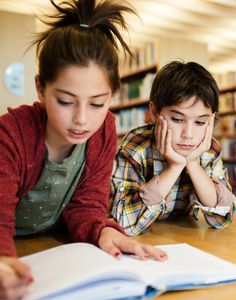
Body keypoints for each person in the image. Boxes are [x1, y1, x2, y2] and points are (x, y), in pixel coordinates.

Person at [0, 0, 166, 299]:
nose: (82, 119)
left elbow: (88, 205)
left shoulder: (103, 132)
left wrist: (105, 231)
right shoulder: (12, 133)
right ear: (41, 89)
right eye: (65, 101)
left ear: (112, 96)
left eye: (97, 103)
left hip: (43, 247)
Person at [110, 61, 236, 236]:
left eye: (200, 122)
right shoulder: (135, 147)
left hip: (182, 239)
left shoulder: (208, 149)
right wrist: (175, 166)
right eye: (177, 119)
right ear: (154, 112)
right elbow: (123, 222)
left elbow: (222, 219)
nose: (189, 134)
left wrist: (192, 163)